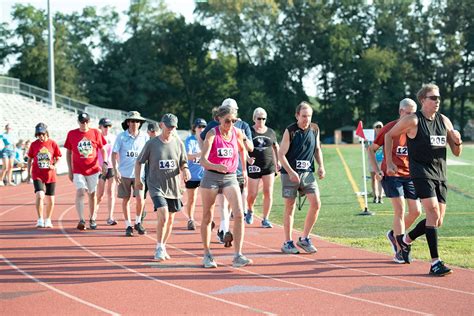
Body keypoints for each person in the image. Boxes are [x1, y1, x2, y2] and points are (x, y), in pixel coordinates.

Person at [385, 83, 463, 276]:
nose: (437, 101)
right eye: (433, 98)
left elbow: (456, 152)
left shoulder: (444, 121)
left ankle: (404, 240)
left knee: (437, 220)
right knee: (433, 212)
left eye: (438, 98)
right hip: (420, 173)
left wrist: (457, 140)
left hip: (440, 174)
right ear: (423, 100)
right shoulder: (413, 120)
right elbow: (389, 135)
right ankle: (435, 262)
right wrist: (389, 163)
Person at [199, 104, 253, 268]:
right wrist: (216, 166)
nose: (230, 124)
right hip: (212, 177)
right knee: (207, 216)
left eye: (234, 121)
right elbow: (203, 160)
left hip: (230, 177)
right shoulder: (212, 134)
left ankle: (238, 254)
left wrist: (243, 137)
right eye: (227, 121)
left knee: (239, 214)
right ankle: (207, 254)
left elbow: (249, 148)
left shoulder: (236, 132)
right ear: (219, 119)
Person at [368, 99, 421, 263]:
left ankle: (393, 234)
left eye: (414, 113)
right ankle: (399, 249)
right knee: (400, 209)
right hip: (391, 174)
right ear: (400, 112)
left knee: (416, 211)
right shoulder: (389, 128)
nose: (411, 116)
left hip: (409, 175)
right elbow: (371, 149)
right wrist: (377, 170)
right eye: (408, 113)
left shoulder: (416, 128)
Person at [135, 114, 190, 261]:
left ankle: (163, 245)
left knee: (170, 220)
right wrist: (137, 180)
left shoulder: (178, 143)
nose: (170, 129)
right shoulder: (152, 144)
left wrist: (185, 170)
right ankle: (158, 247)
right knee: (163, 215)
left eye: (173, 127)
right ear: (161, 125)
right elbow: (139, 161)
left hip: (173, 187)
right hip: (156, 185)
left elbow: (183, 162)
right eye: (168, 126)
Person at [278, 101, 325, 254]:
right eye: (304, 116)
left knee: (316, 203)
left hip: (308, 174)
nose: (307, 119)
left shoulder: (315, 129)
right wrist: (291, 172)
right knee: (290, 206)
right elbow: (281, 155)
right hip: (290, 174)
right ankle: (287, 242)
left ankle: (304, 238)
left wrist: (321, 166)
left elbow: (317, 149)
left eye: (309, 116)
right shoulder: (290, 131)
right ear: (297, 115)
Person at [64, 113, 107, 230]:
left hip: (93, 169)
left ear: (90, 122)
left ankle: (92, 218)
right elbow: (68, 152)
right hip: (78, 169)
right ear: (78, 122)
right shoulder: (72, 134)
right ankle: (81, 219)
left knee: (92, 194)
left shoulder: (95, 132)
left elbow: (102, 149)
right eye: (82, 122)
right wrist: (70, 169)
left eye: (86, 121)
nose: (84, 124)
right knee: (81, 191)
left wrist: (105, 163)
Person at [112, 111, 149, 237]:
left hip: (140, 174)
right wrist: (116, 169)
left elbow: (149, 152)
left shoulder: (144, 137)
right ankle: (128, 225)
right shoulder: (121, 137)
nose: (135, 123)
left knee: (140, 199)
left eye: (137, 121)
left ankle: (138, 222)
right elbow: (114, 153)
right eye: (132, 121)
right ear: (128, 122)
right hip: (125, 174)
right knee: (126, 199)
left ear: (140, 123)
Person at [246, 107, 280, 228]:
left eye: (263, 118)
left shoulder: (271, 132)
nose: (261, 121)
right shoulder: (249, 131)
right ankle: (250, 210)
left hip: (268, 166)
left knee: (268, 192)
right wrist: (246, 158)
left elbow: (276, 147)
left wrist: (278, 161)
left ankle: (265, 218)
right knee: (252, 194)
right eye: (259, 118)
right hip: (253, 166)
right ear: (254, 118)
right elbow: (243, 146)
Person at [27, 123, 61, 228]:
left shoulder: (53, 143)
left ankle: (48, 219)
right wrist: (29, 174)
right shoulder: (34, 144)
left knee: (50, 199)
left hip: (50, 175)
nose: (40, 136)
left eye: (42, 134)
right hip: (37, 174)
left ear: (46, 132)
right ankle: (40, 219)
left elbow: (58, 156)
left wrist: (54, 165)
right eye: (38, 134)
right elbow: (29, 159)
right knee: (40, 195)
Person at [184, 118, 207, 230]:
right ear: (195, 128)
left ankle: (207, 219)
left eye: (203, 127)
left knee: (207, 199)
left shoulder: (208, 140)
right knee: (191, 198)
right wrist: (201, 154)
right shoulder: (190, 140)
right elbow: (188, 156)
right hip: (192, 175)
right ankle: (190, 219)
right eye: (199, 127)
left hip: (205, 175)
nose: (201, 129)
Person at [96, 118, 117, 226]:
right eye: (105, 126)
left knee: (111, 192)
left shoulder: (114, 138)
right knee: (100, 194)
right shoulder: (97, 137)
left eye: (109, 126)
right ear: (100, 127)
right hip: (100, 167)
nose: (107, 128)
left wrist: (118, 167)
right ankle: (93, 216)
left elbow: (116, 153)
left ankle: (110, 217)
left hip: (111, 167)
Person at [368, 121, 384, 203]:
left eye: (380, 126)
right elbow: (366, 148)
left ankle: (380, 196)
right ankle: (375, 196)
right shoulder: (370, 137)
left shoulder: (384, 135)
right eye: (377, 127)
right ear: (374, 128)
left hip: (381, 159)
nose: (378, 128)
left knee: (380, 178)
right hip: (372, 160)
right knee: (373, 179)